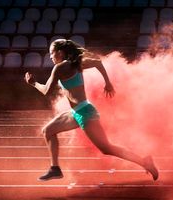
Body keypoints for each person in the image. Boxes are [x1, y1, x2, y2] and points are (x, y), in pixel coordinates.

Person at [24, 39, 158, 181]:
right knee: (48, 131)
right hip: (76, 112)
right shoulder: (77, 63)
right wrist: (108, 83)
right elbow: (97, 62)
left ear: (60, 52)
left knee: (106, 148)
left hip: (85, 113)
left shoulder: (60, 68)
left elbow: (46, 90)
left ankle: (145, 162)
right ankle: (55, 169)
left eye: (51, 53)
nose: (50, 57)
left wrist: (33, 83)